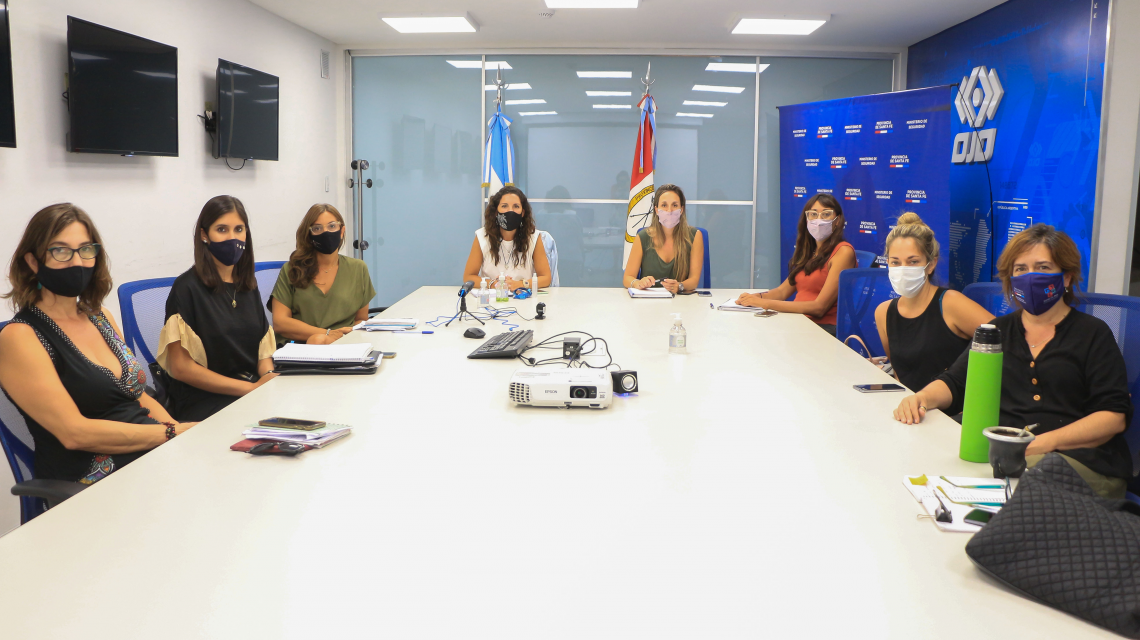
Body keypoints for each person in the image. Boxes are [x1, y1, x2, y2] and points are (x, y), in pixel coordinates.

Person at [893, 224, 1132, 498]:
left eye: (1043, 267)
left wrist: (1038, 444)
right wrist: (921, 398)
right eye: (1021, 269)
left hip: (1078, 461)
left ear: (1066, 277)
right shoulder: (998, 330)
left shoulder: (1093, 333)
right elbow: (956, 382)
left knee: (1007, 490)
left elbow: (1113, 417)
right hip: (1007, 457)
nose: (1030, 277)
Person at [0, 204, 194, 484]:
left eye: (85, 249)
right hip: (91, 479)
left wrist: (178, 432)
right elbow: (74, 433)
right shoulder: (20, 336)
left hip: (149, 451)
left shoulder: (101, 316)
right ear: (32, 261)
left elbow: (137, 396)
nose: (77, 262)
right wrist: (170, 434)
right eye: (60, 250)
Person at [157, 196, 277, 422]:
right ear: (204, 235)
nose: (232, 237)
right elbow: (181, 367)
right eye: (222, 229)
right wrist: (251, 389)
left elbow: (263, 351)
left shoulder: (247, 285)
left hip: (250, 389)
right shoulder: (186, 288)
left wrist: (269, 378)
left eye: (239, 229)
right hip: (205, 399)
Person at [874, 213, 993, 391]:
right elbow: (900, 373)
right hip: (910, 405)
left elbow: (1007, 340)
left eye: (913, 262)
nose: (903, 269)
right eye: (895, 262)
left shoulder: (950, 303)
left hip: (953, 405)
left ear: (930, 264)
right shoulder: (883, 312)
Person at [734, 194, 856, 334]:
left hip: (822, 328)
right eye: (813, 214)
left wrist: (764, 303)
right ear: (806, 219)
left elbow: (819, 307)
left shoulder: (843, 252)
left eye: (826, 214)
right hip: (798, 321)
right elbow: (781, 292)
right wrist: (755, 297)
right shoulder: (810, 251)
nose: (819, 220)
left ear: (837, 220)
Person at [270, 204, 376, 346]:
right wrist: (326, 334)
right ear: (309, 235)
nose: (326, 233)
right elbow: (280, 323)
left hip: (342, 345)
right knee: (317, 340)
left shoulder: (358, 268)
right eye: (317, 228)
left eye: (332, 226)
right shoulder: (291, 270)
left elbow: (360, 320)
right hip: (299, 347)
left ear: (342, 231)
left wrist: (342, 339)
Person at [463, 186, 552, 292]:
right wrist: (493, 284)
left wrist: (521, 284)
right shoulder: (482, 236)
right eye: (504, 206)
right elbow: (468, 277)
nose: (510, 211)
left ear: (523, 213)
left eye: (516, 206)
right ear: (496, 212)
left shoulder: (533, 237)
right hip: (491, 298)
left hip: (522, 297)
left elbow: (546, 278)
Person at [623, 184, 705, 295]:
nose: (669, 210)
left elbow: (694, 281)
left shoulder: (695, 236)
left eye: (675, 205)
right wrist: (638, 283)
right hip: (648, 301)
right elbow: (627, 278)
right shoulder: (643, 237)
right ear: (656, 209)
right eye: (664, 205)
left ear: (681, 209)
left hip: (681, 301)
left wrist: (680, 286)